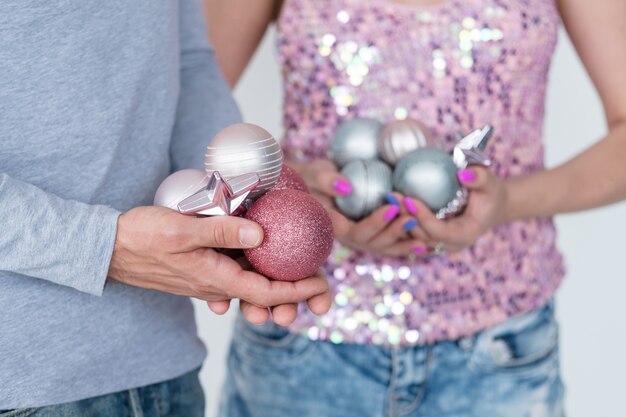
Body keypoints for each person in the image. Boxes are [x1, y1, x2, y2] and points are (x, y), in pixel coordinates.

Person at [206, 0, 626, 415]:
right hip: (300, 338)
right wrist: (297, 190)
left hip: (501, 347)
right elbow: (190, 118)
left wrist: (508, 202)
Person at [0, 1, 335, 416]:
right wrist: (104, 246)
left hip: (165, 363)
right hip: (23, 380)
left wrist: (241, 217)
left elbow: (187, 59)